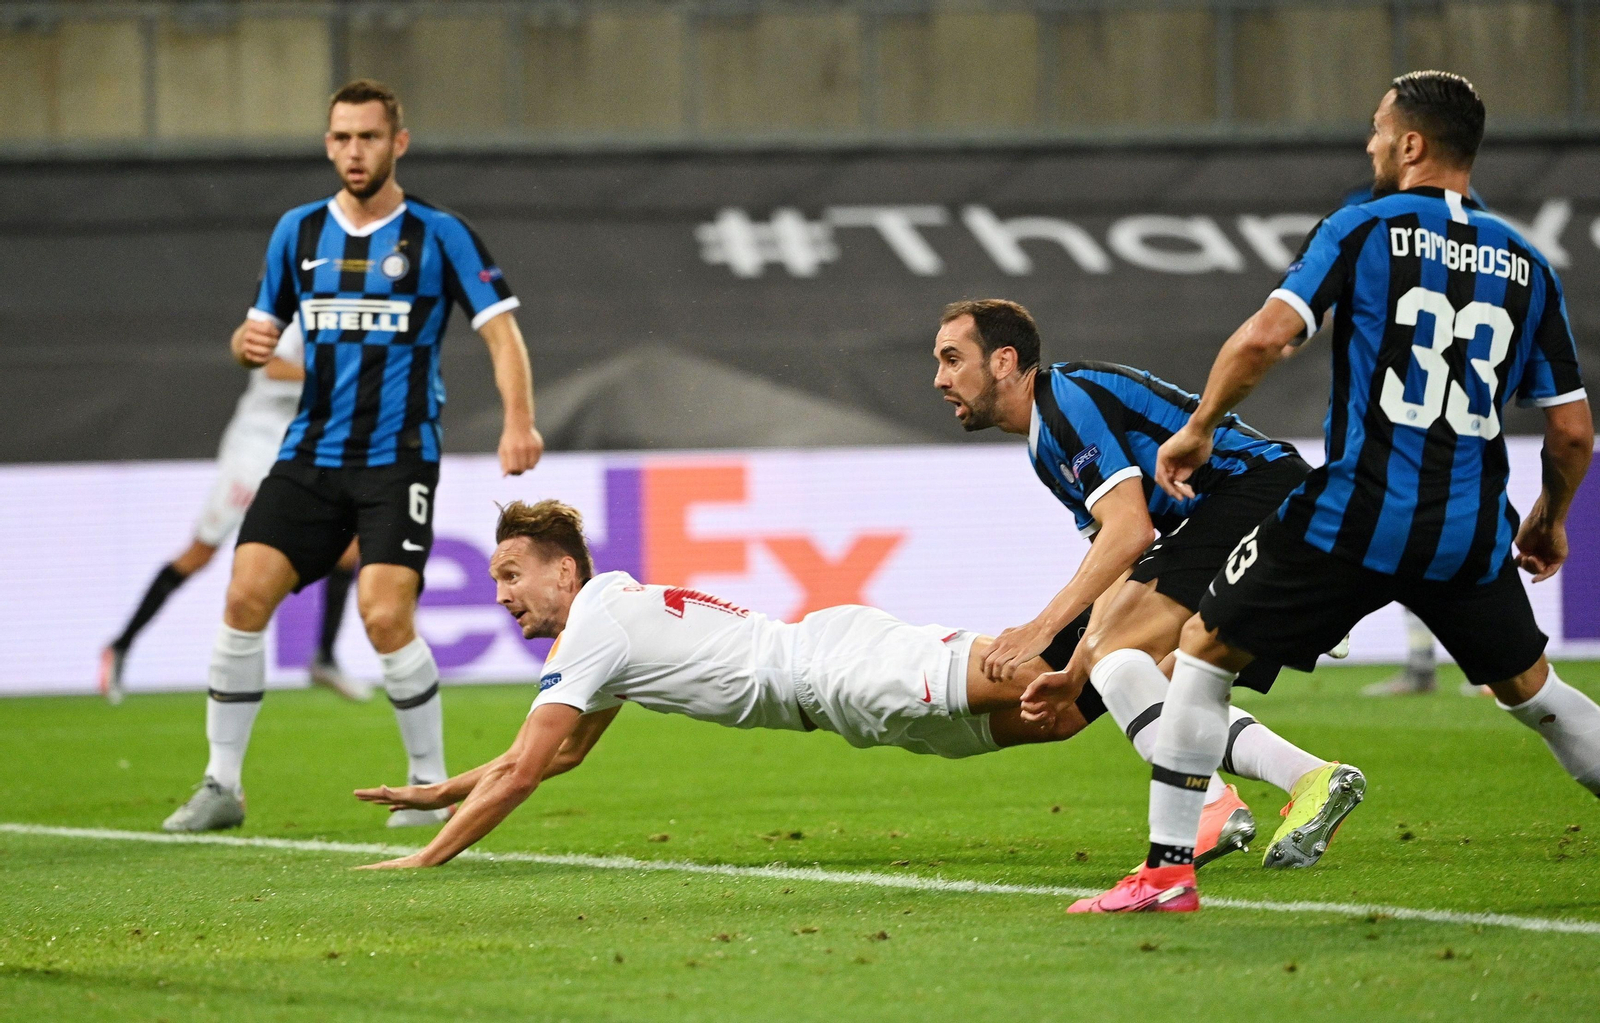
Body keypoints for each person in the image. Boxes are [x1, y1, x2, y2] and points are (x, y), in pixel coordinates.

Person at [1073, 71, 1596, 914]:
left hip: (1354, 512)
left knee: (1202, 653)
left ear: (1412, 144)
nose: (1371, 145)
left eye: (1379, 131)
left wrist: (1201, 423)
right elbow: (1571, 432)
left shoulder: (1363, 228)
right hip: (1467, 532)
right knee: (1536, 693)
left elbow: (1269, 336)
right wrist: (1551, 517)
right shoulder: (1530, 265)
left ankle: (1165, 873)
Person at [351, 500, 1259, 869]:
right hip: (835, 697)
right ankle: (1194, 669)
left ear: (563, 570)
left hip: (841, 669)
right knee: (1060, 716)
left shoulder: (593, 623)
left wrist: (428, 853)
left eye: (512, 574)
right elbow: (556, 755)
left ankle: (1209, 621)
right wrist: (439, 788)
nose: (501, 593)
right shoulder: (611, 614)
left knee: (1056, 668)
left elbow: (522, 769)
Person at [162, 78, 544, 834]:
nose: (353, 151)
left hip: (396, 455)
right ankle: (221, 786)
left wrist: (519, 422)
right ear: (328, 143)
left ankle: (430, 782)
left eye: (368, 136)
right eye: (341, 137)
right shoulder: (298, 233)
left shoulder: (439, 234)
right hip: (307, 452)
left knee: (382, 612)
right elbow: (256, 339)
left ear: (397, 143)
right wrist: (247, 345)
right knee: (242, 599)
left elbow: (500, 333)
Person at [934, 299, 1362, 870]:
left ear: (1005, 361)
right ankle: (1313, 779)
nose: (940, 379)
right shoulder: (1045, 441)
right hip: (1244, 510)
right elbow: (1112, 562)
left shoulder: (1067, 401)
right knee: (1151, 678)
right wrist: (1078, 666)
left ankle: (1208, 811)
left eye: (953, 359)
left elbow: (1132, 531)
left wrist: (1043, 630)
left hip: (1257, 497)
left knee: (1126, 657)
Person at [99, 321, 365, 705]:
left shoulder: (356, 322)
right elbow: (272, 366)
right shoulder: (304, 316)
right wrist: (340, 376)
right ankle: (120, 646)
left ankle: (324, 656)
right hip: (254, 453)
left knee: (349, 549)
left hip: (302, 455)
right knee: (200, 553)